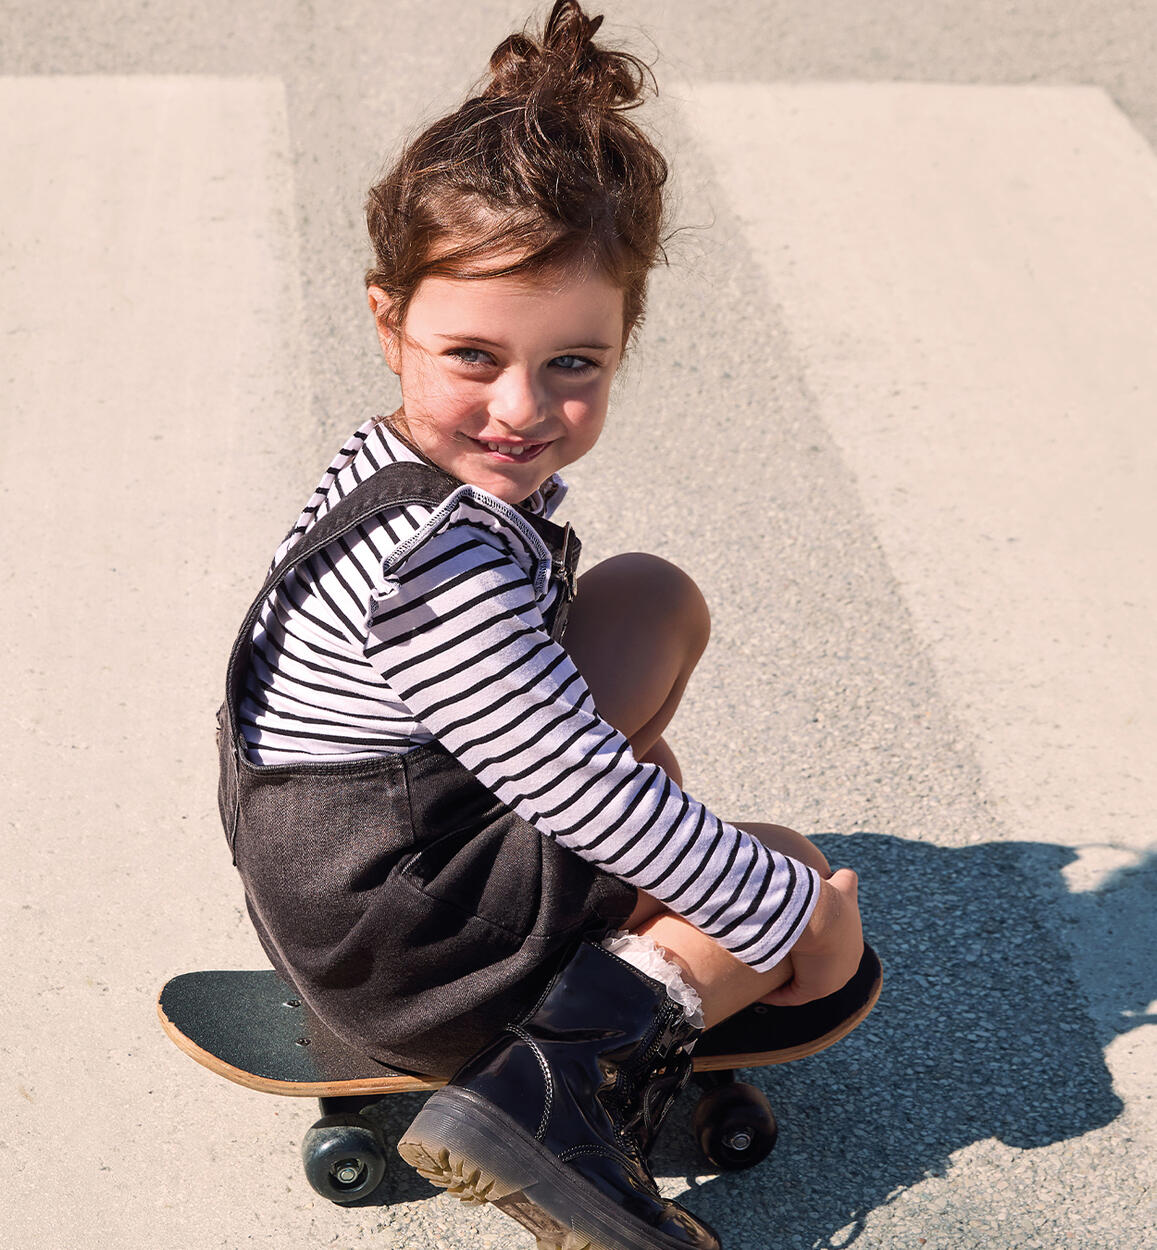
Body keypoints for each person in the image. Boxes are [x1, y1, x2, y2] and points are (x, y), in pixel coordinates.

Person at [216, 3, 879, 1247]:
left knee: (645, 594)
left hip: (368, 873)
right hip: (410, 955)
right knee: (779, 865)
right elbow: (580, 787)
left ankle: (590, 958)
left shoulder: (391, 474)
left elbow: (546, 742)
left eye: (574, 362)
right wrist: (793, 918)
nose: (521, 407)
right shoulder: (440, 572)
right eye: (473, 355)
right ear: (386, 320)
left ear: (623, 340)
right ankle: (548, 1095)